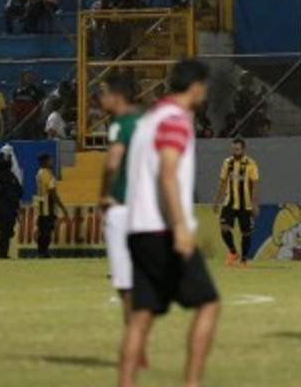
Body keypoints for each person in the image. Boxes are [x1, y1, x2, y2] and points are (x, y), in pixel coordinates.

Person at [118, 60, 219, 387]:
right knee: (208, 304)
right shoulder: (176, 120)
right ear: (197, 86)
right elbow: (168, 173)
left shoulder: (147, 120)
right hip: (163, 229)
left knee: (141, 316)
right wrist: (180, 226)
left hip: (137, 228)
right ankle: (192, 383)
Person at [99, 75, 146, 346]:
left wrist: (103, 194)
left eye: (104, 93)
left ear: (117, 96)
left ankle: (134, 341)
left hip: (123, 208)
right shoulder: (146, 122)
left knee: (125, 284)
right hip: (147, 209)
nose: (101, 99)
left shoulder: (120, 124)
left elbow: (112, 163)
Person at [213, 137, 260, 266]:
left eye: (237, 149)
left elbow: (255, 185)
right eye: (233, 149)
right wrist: (216, 201)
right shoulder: (227, 163)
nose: (235, 152)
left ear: (244, 149)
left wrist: (255, 204)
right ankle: (233, 252)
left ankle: (244, 260)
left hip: (246, 204)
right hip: (229, 202)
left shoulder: (251, 164)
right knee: (224, 228)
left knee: (246, 233)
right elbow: (222, 182)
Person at [0, 146, 23, 259]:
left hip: (5, 206)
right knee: (5, 230)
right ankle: (2, 253)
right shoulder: (5, 176)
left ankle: (3, 252)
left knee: (7, 230)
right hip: (6, 206)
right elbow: (18, 192)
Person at [34, 153, 66, 258]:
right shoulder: (46, 174)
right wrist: (62, 206)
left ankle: (41, 251)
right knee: (46, 229)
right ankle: (44, 251)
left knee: (42, 228)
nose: (51, 162)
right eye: (49, 160)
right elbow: (52, 192)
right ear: (45, 162)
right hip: (47, 204)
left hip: (40, 203)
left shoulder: (39, 173)